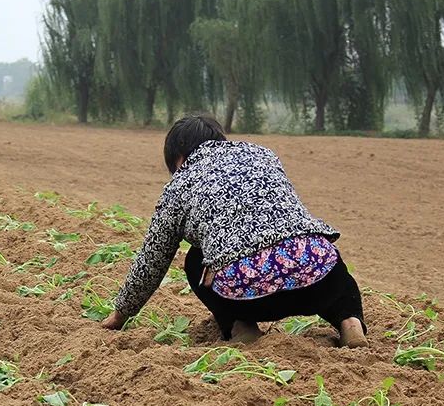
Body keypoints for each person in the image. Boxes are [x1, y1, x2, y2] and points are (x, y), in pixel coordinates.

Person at [100, 115, 367, 347]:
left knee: (196, 259)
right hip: (316, 282)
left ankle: (240, 325)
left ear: (179, 156)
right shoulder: (263, 154)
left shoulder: (180, 184)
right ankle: (349, 320)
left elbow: (153, 259)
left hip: (247, 295)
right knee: (317, 251)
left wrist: (121, 313)